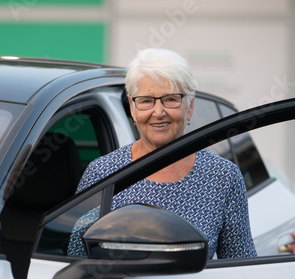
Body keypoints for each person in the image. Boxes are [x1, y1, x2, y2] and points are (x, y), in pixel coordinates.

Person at [67, 48, 257, 259]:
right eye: (147, 100)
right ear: (132, 107)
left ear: (190, 106)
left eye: (171, 99)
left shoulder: (223, 176)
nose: (158, 112)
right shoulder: (102, 173)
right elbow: (76, 259)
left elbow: (241, 266)